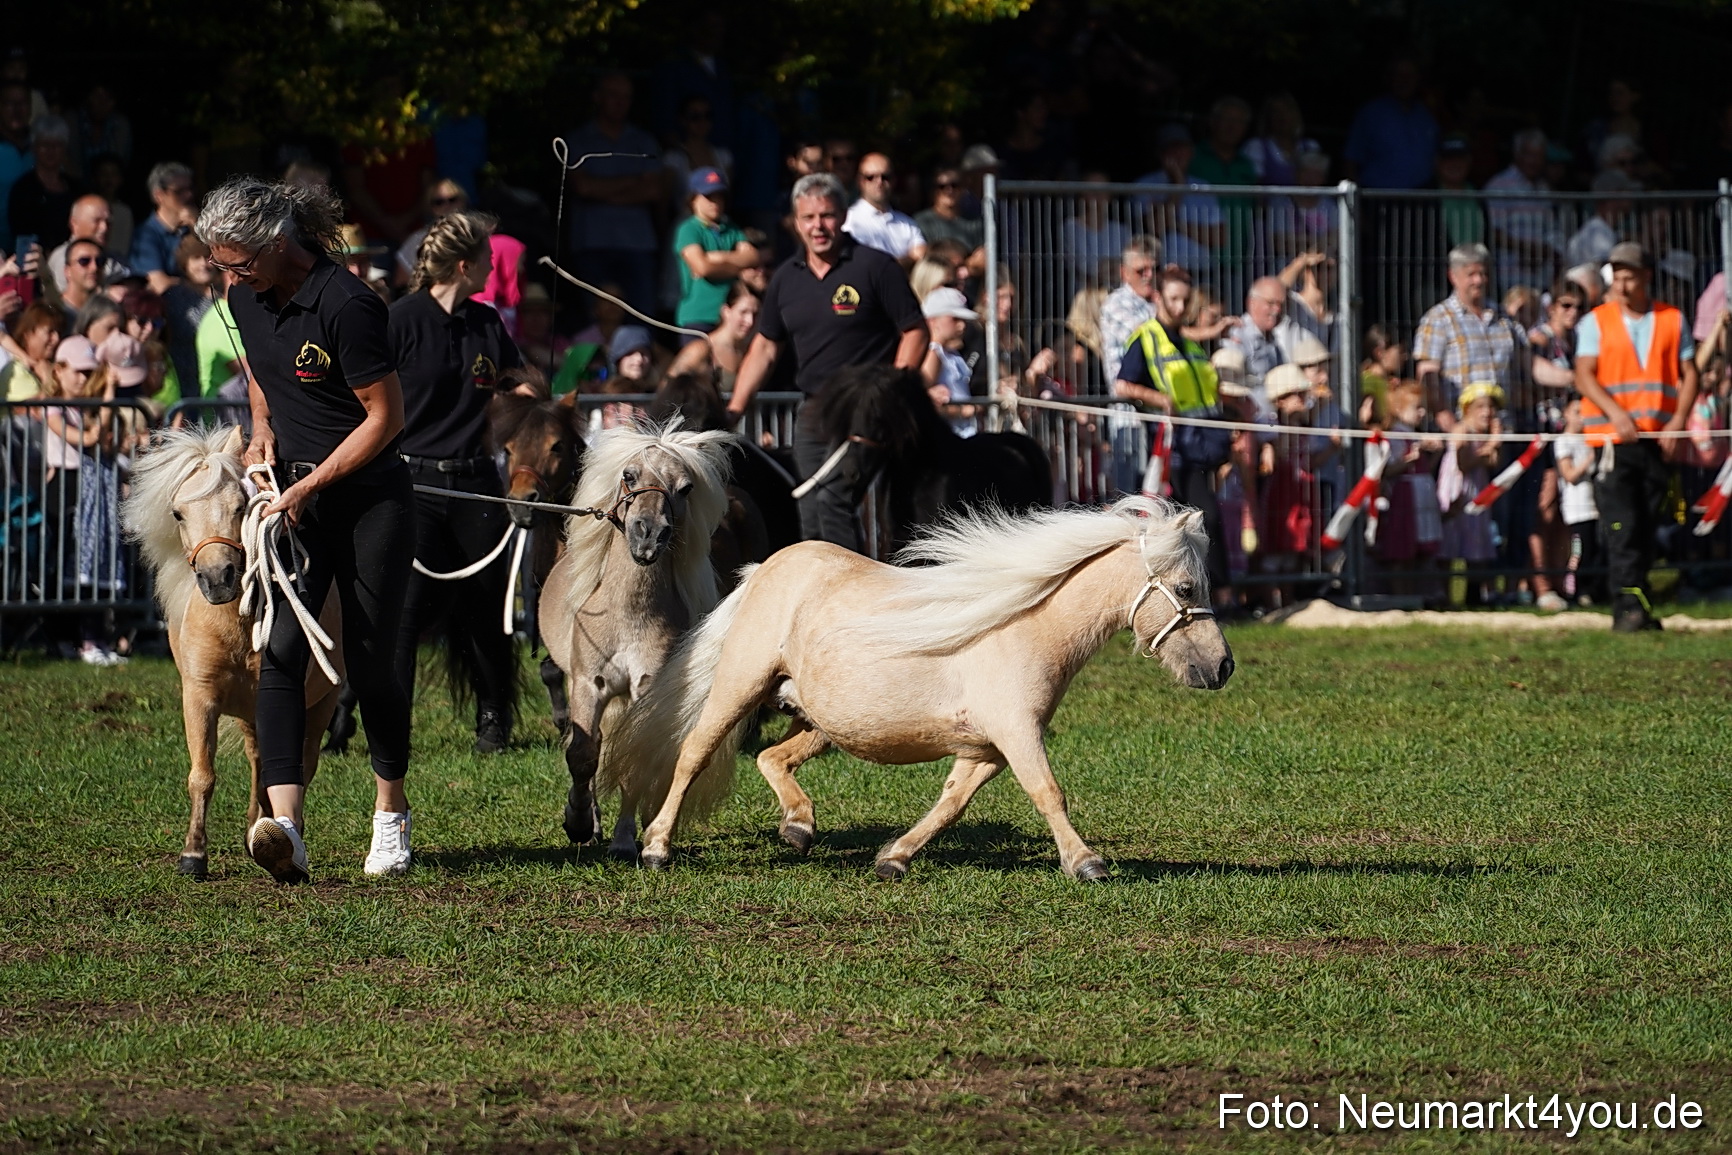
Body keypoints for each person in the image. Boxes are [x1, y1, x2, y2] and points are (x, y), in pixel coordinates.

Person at [197, 175, 416, 882]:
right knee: (281, 650)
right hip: (293, 496)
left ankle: (391, 814)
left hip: (369, 499)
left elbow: (386, 417)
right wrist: (261, 431)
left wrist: (315, 480)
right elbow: (262, 371)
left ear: (276, 242)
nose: (227, 277)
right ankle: (285, 825)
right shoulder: (244, 297)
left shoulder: (348, 304)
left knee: (375, 661)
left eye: (237, 262)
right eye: (222, 265)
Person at [724, 172, 927, 548]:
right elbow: (765, 348)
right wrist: (734, 407)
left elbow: (916, 331)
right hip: (813, 410)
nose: (818, 226)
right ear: (796, 223)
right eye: (809, 218)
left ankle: (850, 595)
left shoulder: (875, 266)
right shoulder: (785, 278)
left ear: (842, 216)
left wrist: (890, 391)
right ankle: (821, 591)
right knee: (809, 503)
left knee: (834, 498)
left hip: (866, 409)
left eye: (827, 215)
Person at [390, 210, 523, 754]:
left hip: (476, 485)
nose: (496, 265)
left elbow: (517, 382)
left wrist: (533, 395)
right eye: (489, 258)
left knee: (489, 610)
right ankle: (386, 717)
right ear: (464, 265)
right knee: (404, 613)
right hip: (414, 485)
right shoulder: (398, 321)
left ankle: (495, 716)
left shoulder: (487, 322)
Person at [1574, 241, 1698, 631]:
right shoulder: (1596, 321)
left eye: (1630, 277)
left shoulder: (1672, 319)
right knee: (1621, 526)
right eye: (1618, 278)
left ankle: (1639, 601)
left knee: (1647, 523)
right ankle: (1627, 607)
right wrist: (1615, 413)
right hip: (1614, 441)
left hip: (1658, 440)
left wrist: (1679, 419)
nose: (1623, 286)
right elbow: (1584, 374)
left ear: (1646, 277)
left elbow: (1689, 372)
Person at [1113, 264, 1234, 609]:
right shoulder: (1147, 337)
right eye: (1173, 300)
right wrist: (1158, 400)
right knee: (1201, 518)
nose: (1180, 307)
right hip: (1170, 452)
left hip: (1201, 445)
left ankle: (1204, 596)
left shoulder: (1188, 341)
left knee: (1195, 521)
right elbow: (1123, 384)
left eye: (1185, 300)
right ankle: (1218, 596)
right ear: (1157, 297)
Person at [1413, 243, 1568, 432]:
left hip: (1501, 427)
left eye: (1483, 273)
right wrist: (1447, 420)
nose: (1479, 280)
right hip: (1461, 430)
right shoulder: (1437, 319)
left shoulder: (1503, 318)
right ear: (1453, 276)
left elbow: (1530, 364)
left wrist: (1571, 378)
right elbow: (1427, 375)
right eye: (1471, 274)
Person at [565, 73, 664, 317]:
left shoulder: (644, 141)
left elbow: (653, 190)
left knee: (642, 317)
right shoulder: (578, 140)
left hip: (638, 243)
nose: (620, 103)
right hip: (592, 242)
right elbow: (582, 187)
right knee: (595, 318)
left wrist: (601, 190)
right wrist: (633, 181)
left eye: (626, 97)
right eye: (613, 96)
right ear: (597, 98)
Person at [673, 167, 756, 336]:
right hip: (698, 314)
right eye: (709, 196)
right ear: (693, 199)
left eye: (720, 196)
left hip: (731, 316)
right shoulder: (688, 229)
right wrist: (738, 268)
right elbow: (702, 267)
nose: (715, 202)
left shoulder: (731, 228)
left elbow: (753, 257)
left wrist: (717, 257)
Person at [1343, 56, 1439, 189]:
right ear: (1389, 78)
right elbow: (1351, 160)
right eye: (1399, 75)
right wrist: (1356, 203)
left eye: (1410, 75)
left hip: (1421, 195)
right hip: (1379, 195)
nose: (1405, 81)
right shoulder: (1370, 114)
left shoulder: (1427, 114)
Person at [1485, 130, 1562, 294]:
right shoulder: (1499, 185)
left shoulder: (1544, 189)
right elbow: (1493, 231)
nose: (1534, 161)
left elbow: (1552, 230)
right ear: (1517, 155)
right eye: (1529, 155)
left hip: (1541, 279)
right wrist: (1528, 249)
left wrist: (1545, 251)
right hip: (1509, 279)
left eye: (1539, 156)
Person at [1554, 395, 1603, 605]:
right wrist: (1591, 456)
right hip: (1577, 507)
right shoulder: (1563, 441)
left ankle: (1594, 590)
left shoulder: (1589, 438)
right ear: (1565, 414)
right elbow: (1570, 474)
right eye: (1577, 412)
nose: (1582, 417)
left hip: (1594, 506)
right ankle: (1576, 591)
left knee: (1597, 549)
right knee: (1580, 551)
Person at [8, 114, 78, 253]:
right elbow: (22, 235)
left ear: (64, 149)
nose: (51, 150)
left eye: (57, 145)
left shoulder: (77, 188)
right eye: (45, 144)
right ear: (34, 148)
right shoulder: (23, 189)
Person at [1097, 236, 1160, 385]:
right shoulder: (1115, 303)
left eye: (1156, 269)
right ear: (1125, 273)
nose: (1150, 275)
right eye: (1141, 271)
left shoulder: (1158, 300)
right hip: (1129, 404)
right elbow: (1149, 337)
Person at [843, 153, 926, 265]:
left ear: (894, 180)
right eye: (870, 177)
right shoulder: (848, 220)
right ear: (860, 181)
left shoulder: (908, 223)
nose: (879, 182)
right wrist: (908, 259)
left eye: (885, 177)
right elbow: (862, 264)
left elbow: (922, 258)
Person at [129, 162, 196, 294]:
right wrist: (200, 286)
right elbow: (159, 284)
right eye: (179, 191)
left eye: (190, 189)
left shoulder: (193, 226)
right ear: (159, 196)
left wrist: (198, 228)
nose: (188, 195)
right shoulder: (145, 235)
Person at [921, 286, 978, 437]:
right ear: (933, 321)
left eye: (963, 320)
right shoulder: (934, 353)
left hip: (963, 432)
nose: (962, 325)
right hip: (948, 435)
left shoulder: (951, 353)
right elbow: (923, 397)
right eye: (954, 319)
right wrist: (958, 410)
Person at [393, 178, 467, 284]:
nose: (447, 206)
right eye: (438, 202)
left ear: (463, 201)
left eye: (452, 200)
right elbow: (402, 284)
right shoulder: (416, 240)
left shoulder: (478, 236)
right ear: (430, 207)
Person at [1565, 170, 1638, 270]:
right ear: (1614, 194)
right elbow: (1603, 268)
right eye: (1626, 191)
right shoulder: (1597, 231)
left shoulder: (1604, 228)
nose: (1631, 197)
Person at [1243, 92, 1320, 186]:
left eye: (1287, 111)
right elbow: (1255, 187)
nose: (1282, 116)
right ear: (1268, 117)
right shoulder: (1256, 147)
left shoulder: (1311, 146)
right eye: (1276, 111)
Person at [914, 167, 984, 260]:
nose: (949, 190)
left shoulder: (975, 221)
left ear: (963, 189)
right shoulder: (920, 222)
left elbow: (982, 255)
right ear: (933, 191)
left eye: (954, 185)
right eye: (942, 186)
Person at [1, 300, 60, 399]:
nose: (56, 338)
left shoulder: (59, 368)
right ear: (28, 335)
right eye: (50, 332)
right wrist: (47, 381)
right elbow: (31, 411)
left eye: (59, 332)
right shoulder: (17, 371)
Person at [0, 82, 31, 250]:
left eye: (22, 103)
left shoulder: (44, 144)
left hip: (32, 250)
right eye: (9, 104)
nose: (17, 110)